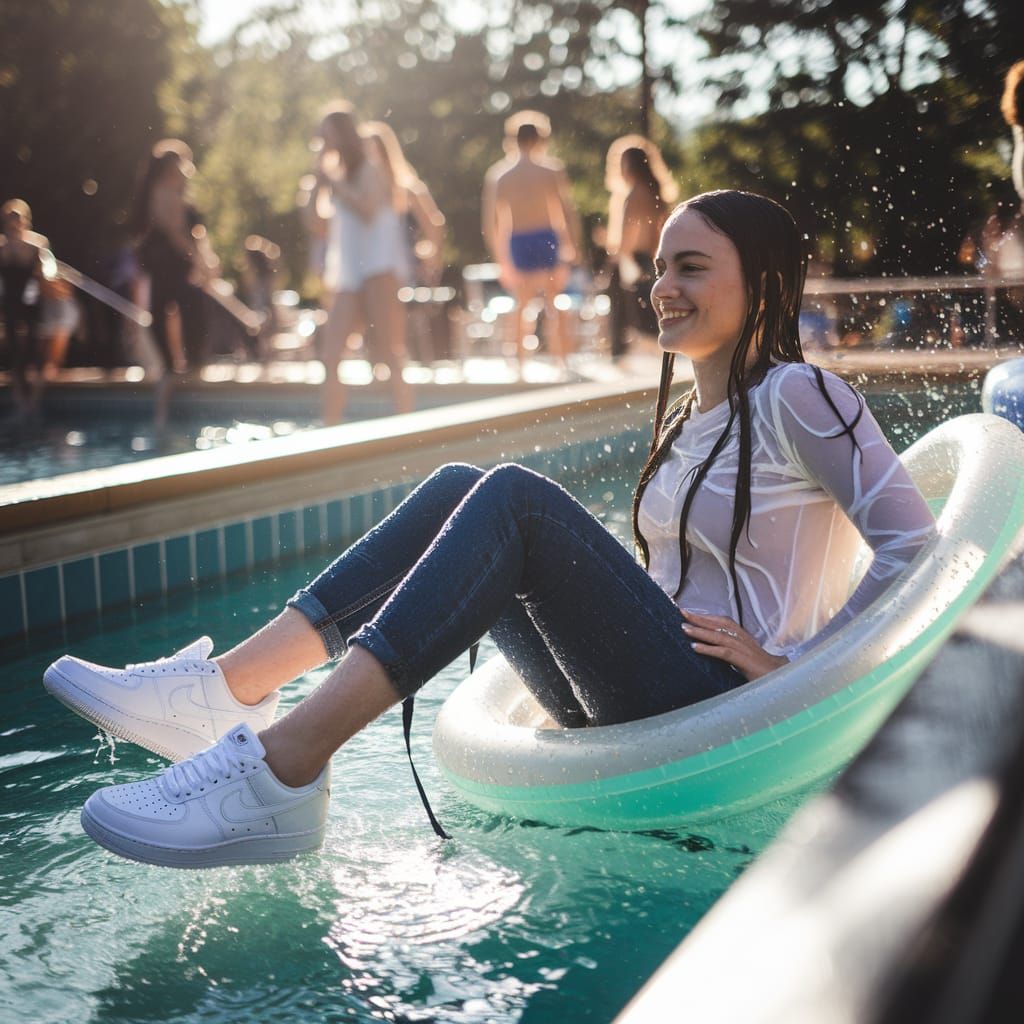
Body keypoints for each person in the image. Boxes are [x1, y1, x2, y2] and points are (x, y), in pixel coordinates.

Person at [44, 190, 937, 869]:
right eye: (660, 266)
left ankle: (282, 767)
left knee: (510, 496)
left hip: (718, 702)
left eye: (692, 267)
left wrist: (796, 668)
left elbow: (914, 545)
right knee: (464, 486)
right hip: (652, 686)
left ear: (764, 280)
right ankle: (227, 689)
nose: (662, 287)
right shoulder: (687, 425)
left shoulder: (799, 394)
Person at [315, 102, 413, 422]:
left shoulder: (369, 168)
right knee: (331, 354)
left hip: (378, 269)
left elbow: (368, 210)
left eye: (327, 135)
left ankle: (407, 423)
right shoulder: (335, 175)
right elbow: (317, 223)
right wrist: (320, 183)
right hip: (349, 275)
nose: (322, 141)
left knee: (389, 351)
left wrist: (334, 184)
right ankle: (330, 429)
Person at [482, 111, 583, 374]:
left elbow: (492, 223)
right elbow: (565, 211)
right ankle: (563, 361)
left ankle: (519, 364)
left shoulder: (501, 175)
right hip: (545, 237)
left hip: (518, 239)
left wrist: (501, 259)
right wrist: (572, 245)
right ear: (540, 139)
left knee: (522, 303)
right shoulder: (549, 171)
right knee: (554, 303)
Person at [130, 140, 216, 427]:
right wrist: (198, 261)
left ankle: (177, 380)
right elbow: (178, 234)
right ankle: (171, 390)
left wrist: (204, 258)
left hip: (176, 271)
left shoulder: (177, 195)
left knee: (183, 314)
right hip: (172, 268)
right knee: (182, 315)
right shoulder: (163, 194)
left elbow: (194, 233)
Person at [362, 121, 448, 363]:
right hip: (371, 262)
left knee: (401, 318)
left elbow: (434, 224)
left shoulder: (407, 187)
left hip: (403, 264)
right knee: (373, 316)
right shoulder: (363, 190)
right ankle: (379, 365)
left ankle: (407, 365)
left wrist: (432, 257)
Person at [604, 135, 678, 358]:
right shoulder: (655, 193)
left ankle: (619, 355)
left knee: (620, 309)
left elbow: (627, 234)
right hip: (651, 257)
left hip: (632, 259)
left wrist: (616, 257)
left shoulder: (633, 194)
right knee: (651, 309)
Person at [0, 199, 45, 419]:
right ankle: (20, 398)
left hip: (30, 301)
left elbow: (46, 271)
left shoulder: (36, 245)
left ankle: (35, 398)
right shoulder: (2, 247)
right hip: (10, 301)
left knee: (34, 346)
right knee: (15, 348)